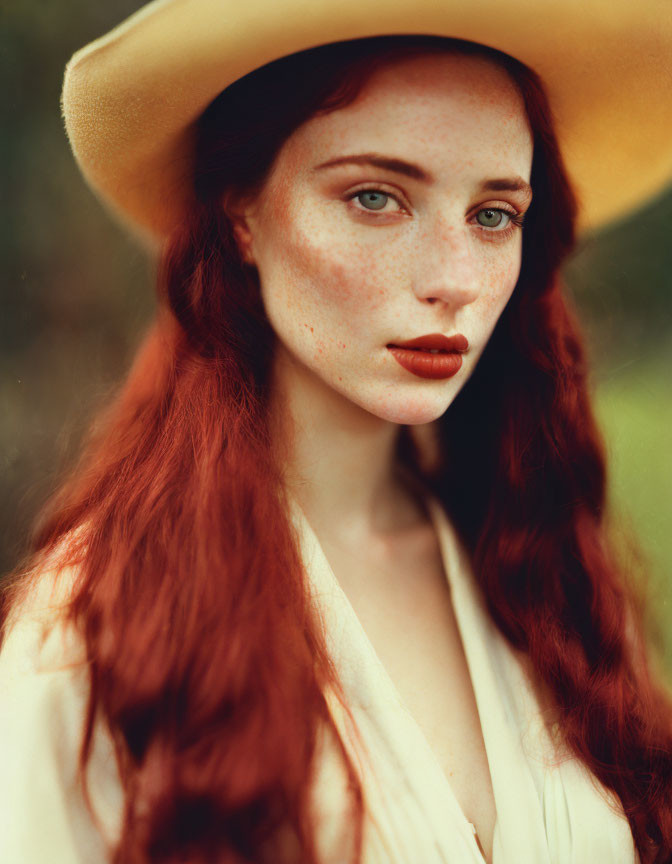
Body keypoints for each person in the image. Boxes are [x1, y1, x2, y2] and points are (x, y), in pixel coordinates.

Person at [1, 2, 671, 864]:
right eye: (375, 197)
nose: (455, 280)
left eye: (494, 214)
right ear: (242, 213)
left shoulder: (540, 571)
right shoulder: (91, 641)